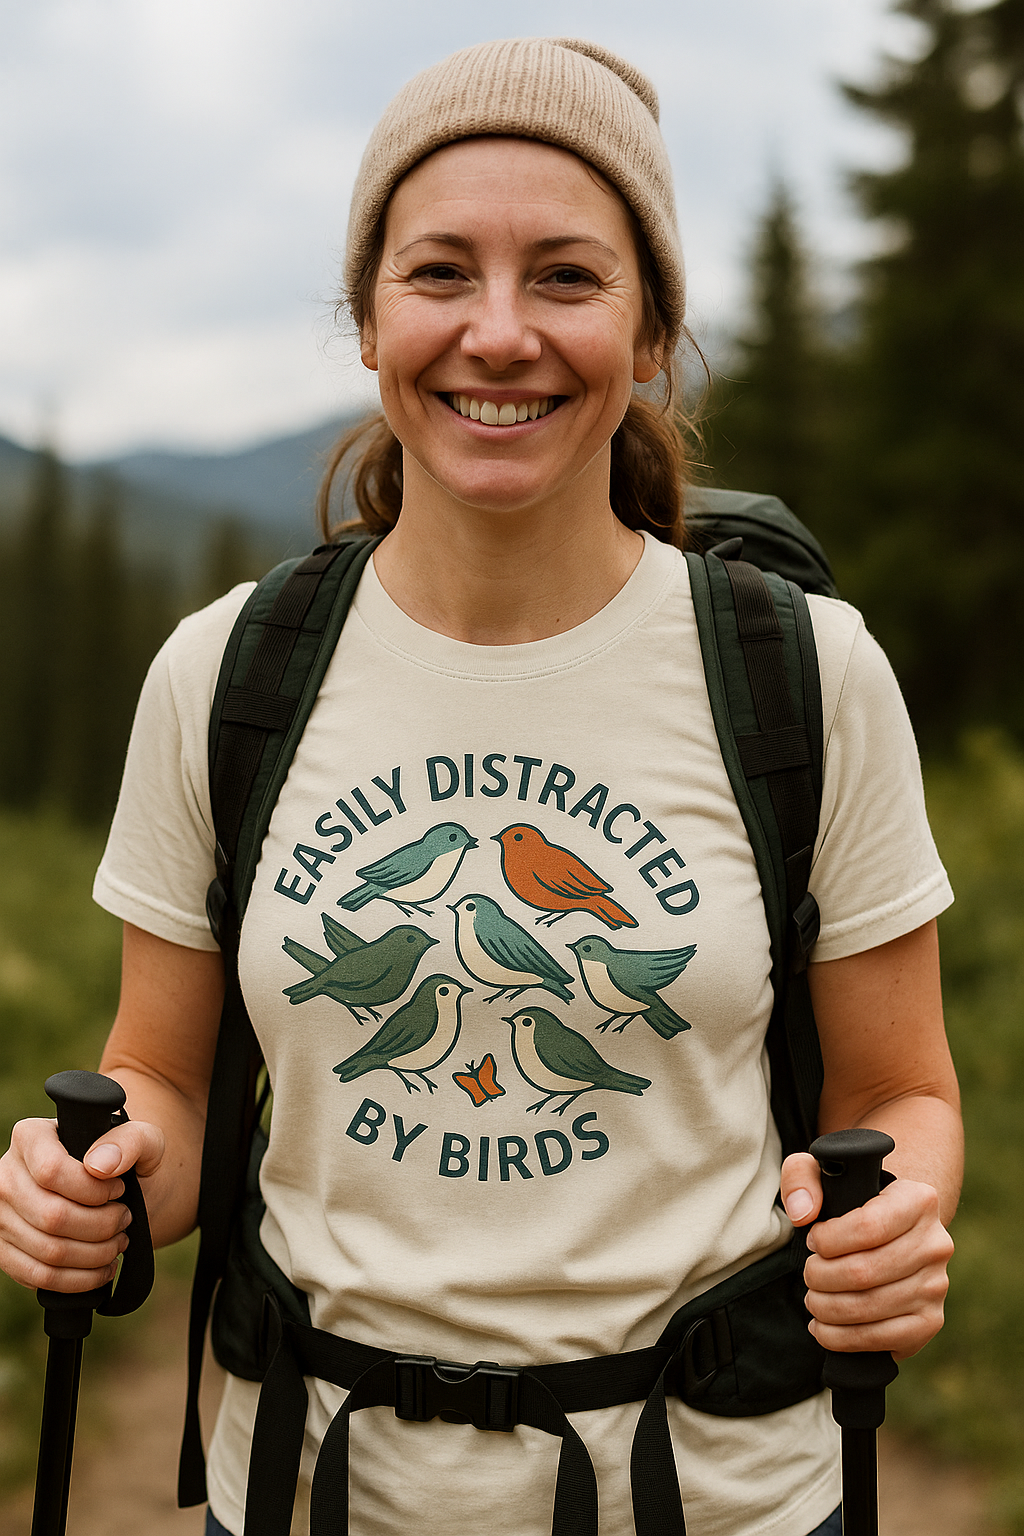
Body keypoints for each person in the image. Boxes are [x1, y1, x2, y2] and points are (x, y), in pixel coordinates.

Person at [0, 36, 960, 1536]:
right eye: (439, 273)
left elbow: (898, 1091)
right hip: (314, 1492)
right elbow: (167, 1080)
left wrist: (895, 1217)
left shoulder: (805, 676)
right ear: (370, 322)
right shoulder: (226, 674)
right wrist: (103, 1181)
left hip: (719, 1498)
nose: (496, 333)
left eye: (567, 278)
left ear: (651, 333)